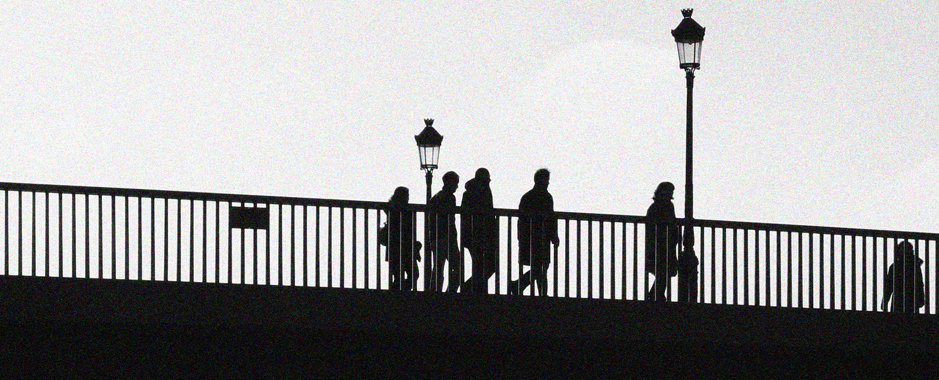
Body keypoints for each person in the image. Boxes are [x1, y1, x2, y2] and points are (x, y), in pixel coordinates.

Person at [511, 169, 559, 296]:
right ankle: (527, 288)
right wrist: (553, 235)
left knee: (540, 266)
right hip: (538, 237)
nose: (548, 183)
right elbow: (550, 218)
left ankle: (520, 285)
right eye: (546, 179)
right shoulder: (544, 197)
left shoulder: (528, 197)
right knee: (541, 266)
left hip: (533, 237)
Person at [461, 168, 498, 294]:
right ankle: (474, 290)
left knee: (484, 265)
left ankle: (471, 288)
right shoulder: (474, 193)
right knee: (483, 265)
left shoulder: (479, 192)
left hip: (482, 234)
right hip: (476, 234)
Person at [427, 171, 462, 292]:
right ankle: (450, 292)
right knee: (456, 267)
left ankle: (435, 292)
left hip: (436, 237)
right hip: (446, 237)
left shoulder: (435, 197)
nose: (457, 186)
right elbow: (449, 220)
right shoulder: (449, 197)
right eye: (456, 183)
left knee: (438, 267)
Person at [645, 182, 680, 301]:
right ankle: (656, 294)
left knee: (664, 271)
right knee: (663, 270)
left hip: (665, 244)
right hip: (661, 244)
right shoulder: (660, 206)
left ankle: (655, 294)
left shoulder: (662, 206)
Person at [385, 186, 419, 290]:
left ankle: (399, 292)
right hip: (400, 246)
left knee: (403, 275)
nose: (408, 198)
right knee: (410, 275)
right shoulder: (401, 211)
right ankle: (401, 292)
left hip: (400, 247)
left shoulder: (392, 209)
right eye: (406, 196)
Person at [881, 240, 926, 313]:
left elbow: (889, 286)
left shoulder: (895, 267)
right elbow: (919, 283)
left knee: (897, 321)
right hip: (910, 299)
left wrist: (885, 301)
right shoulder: (914, 266)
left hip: (901, 299)